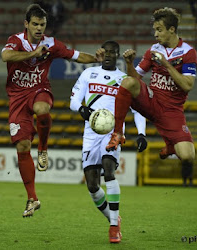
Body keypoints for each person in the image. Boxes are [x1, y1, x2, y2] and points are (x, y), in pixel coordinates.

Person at [1, 4, 103, 217]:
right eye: (35, 24)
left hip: (39, 89)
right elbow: (6, 56)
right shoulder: (16, 40)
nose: (39, 28)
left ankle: (43, 149)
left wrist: (95, 59)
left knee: (42, 109)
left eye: (43, 25)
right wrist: (33, 53)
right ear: (26, 24)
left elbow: (75, 55)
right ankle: (32, 198)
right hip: (17, 97)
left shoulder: (52, 44)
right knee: (22, 145)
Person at [105, 8, 197, 187]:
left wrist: (167, 65)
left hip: (172, 111)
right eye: (154, 29)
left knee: (187, 157)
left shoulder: (188, 52)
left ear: (172, 29)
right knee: (127, 83)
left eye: (159, 29)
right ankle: (117, 133)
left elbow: (188, 85)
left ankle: (171, 147)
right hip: (152, 100)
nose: (155, 34)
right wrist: (129, 63)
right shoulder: (153, 50)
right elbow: (134, 79)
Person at [70, 40, 147, 243]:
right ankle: (114, 218)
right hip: (90, 133)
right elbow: (74, 100)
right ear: (101, 53)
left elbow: (138, 109)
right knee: (93, 186)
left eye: (113, 52)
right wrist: (82, 110)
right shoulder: (88, 74)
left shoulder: (125, 80)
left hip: (113, 131)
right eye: (106, 52)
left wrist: (142, 133)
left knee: (108, 169)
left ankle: (113, 227)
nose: (109, 55)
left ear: (118, 56)